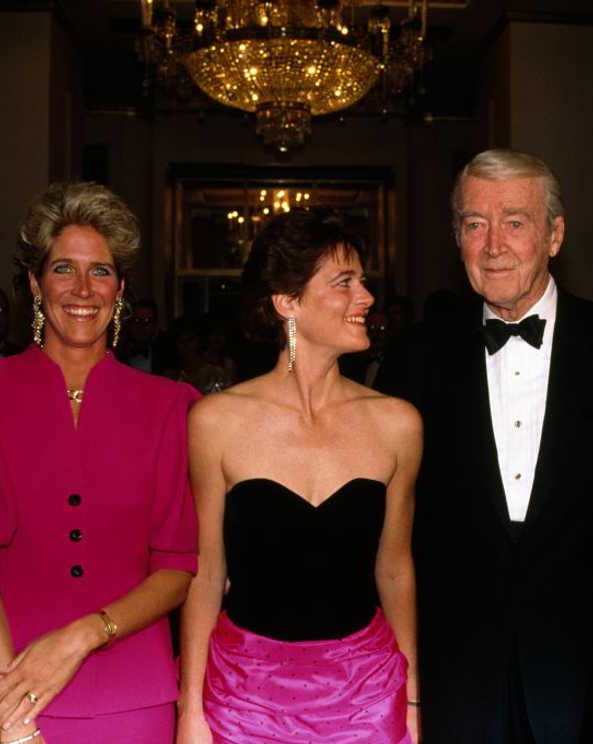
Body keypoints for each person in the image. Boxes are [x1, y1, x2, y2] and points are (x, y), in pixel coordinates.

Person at [0, 181, 199, 744]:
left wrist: (83, 635)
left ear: (121, 288)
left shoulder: (172, 407)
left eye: (101, 271)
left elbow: (177, 567)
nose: (83, 289)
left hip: (132, 694)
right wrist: (12, 711)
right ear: (35, 284)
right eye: (63, 269)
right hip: (3, 682)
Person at [402, 149, 593, 743]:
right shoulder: (415, 357)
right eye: (474, 225)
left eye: (514, 222)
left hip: (588, 669)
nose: (493, 246)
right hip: (455, 669)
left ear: (555, 235)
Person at [177, 208, 421, 744]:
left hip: (365, 695)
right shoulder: (215, 421)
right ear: (287, 303)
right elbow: (206, 575)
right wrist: (189, 713)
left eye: (363, 281)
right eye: (344, 283)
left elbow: (396, 572)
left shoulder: (398, 423)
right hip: (245, 697)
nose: (367, 298)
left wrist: (412, 702)